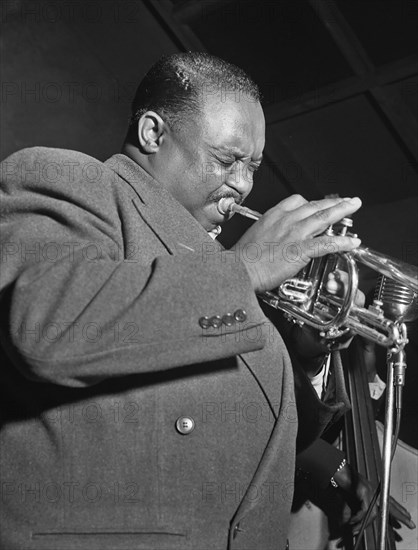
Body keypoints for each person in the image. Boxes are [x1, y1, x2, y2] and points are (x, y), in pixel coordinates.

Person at [0, 52, 412, 550]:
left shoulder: (217, 270)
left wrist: (307, 353)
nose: (242, 186)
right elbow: (46, 327)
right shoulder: (74, 181)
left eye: (253, 166)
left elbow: (260, 441)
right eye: (227, 160)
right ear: (154, 134)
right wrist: (244, 270)